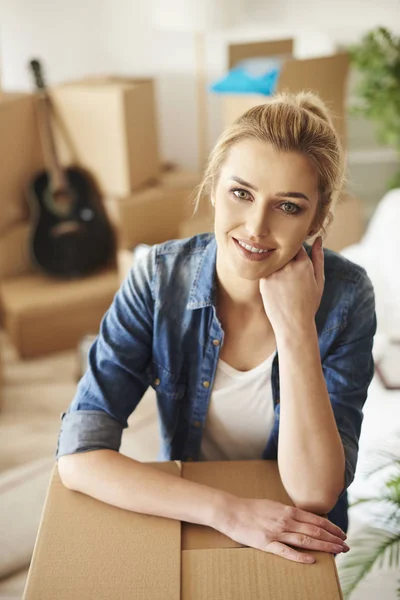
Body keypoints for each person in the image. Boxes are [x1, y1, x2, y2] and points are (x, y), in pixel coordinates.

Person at [56, 91, 376, 565]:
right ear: (212, 187)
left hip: (295, 537)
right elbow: (79, 456)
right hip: (194, 512)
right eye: (241, 193)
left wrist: (296, 328)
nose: (256, 227)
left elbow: (313, 493)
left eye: (288, 206)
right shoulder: (158, 278)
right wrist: (226, 511)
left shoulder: (348, 296)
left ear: (318, 219)